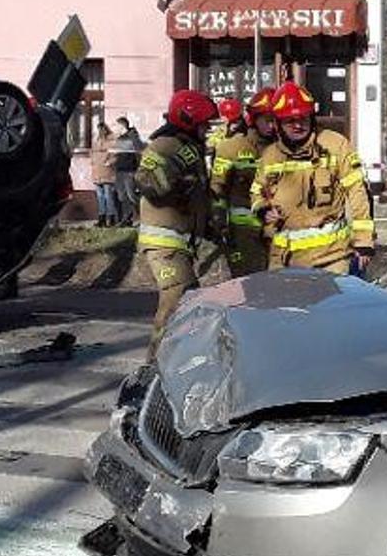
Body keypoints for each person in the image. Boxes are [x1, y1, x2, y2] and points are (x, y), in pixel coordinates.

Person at [250, 81, 374, 274]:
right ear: (277, 123)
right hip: (283, 261)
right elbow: (257, 192)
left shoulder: (335, 145)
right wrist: (262, 209)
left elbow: (358, 192)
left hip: (332, 259)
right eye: (290, 121)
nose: (298, 125)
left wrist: (363, 242)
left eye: (303, 119)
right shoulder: (270, 156)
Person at [134, 90, 218, 357]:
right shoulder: (165, 146)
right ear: (189, 121)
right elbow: (146, 180)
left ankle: (177, 361)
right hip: (163, 242)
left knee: (190, 300)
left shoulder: (188, 147)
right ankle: (154, 369)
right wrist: (176, 167)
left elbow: (194, 197)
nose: (207, 131)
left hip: (179, 242)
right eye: (204, 125)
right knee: (176, 299)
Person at [211, 88, 275, 277]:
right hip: (243, 232)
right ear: (254, 119)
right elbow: (217, 187)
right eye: (267, 120)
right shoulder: (232, 147)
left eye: (276, 120)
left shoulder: (285, 149)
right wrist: (218, 221)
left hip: (278, 229)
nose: (273, 126)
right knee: (249, 285)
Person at [110, 116, 145, 223]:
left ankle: (142, 217)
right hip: (119, 170)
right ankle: (127, 218)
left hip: (129, 170)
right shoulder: (119, 138)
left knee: (132, 195)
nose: (114, 128)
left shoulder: (132, 136)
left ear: (122, 125)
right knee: (122, 196)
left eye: (116, 125)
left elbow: (139, 149)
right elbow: (118, 153)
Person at [90, 121, 120, 226]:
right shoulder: (96, 140)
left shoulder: (112, 140)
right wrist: (93, 163)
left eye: (102, 129)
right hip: (97, 172)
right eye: (99, 129)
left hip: (107, 172)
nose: (100, 131)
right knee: (100, 197)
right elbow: (92, 153)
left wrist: (109, 163)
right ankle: (102, 218)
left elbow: (115, 156)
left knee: (108, 196)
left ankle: (111, 218)